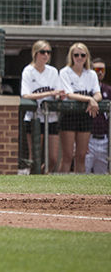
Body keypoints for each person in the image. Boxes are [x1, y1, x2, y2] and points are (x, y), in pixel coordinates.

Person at [20, 40, 65, 173]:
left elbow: (57, 91)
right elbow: (25, 95)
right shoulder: (28, 71)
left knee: (52, 158)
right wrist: (50, 93)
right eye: (43, 52)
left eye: (48, 52)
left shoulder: (52, 71)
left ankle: (43, 178)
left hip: (51, 117)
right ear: (35, 53)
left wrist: (59, 95)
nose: (46, 55)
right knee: (35, 156)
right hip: (34, 118)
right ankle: (33, 180)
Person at [58, 43, 102, 174]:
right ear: (71, 56)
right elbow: (69, 94)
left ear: (86, 57)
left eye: (82, 55)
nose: (79, 58)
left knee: (81, 155)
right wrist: (90, 99)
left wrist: (94, 99)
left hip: (85, 115)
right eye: (76, 55)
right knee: (67, 156)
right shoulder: (65, 72)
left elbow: (97, 93)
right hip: (69, 114)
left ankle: (79, 187)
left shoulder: (91, 74)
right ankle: (60, 188)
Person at [85, 58, 110, 174]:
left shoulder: (108, 89)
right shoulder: (86, 89)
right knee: (84, 171)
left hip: (104, 138)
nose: (100, 72)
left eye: (102, 69)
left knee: (102, 174)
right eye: (97, 69)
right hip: (87, 136)